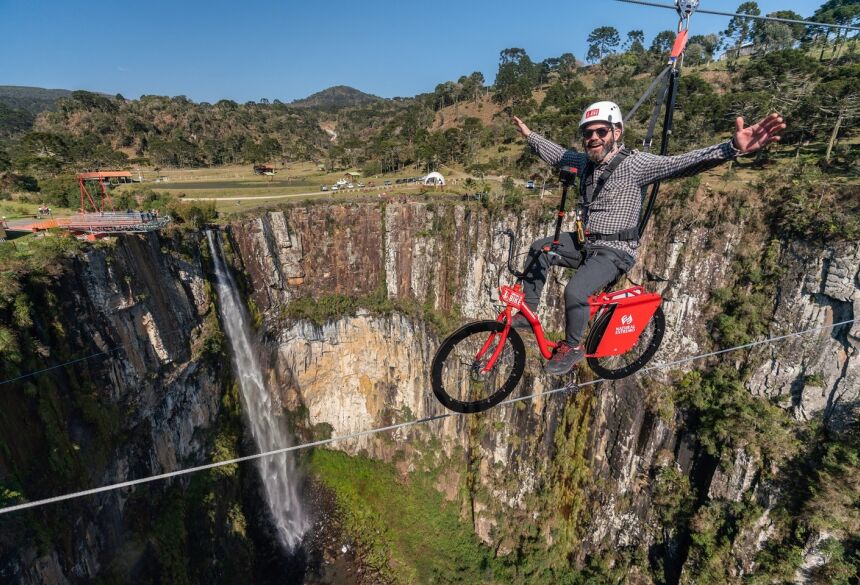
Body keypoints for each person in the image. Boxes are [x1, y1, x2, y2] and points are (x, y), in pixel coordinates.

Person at [511, 101, 785, 375]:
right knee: (540, 249)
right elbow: (558, 155)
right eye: (587, 133)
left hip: (614, 250)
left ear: (616, 132)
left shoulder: (635, 165)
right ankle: (527, 314)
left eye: (601, 131)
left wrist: (731, 148)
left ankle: (571, 347)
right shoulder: (585, 163)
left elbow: (680, 164)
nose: (593, 137)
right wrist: (530, 136)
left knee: (575, 291)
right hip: (586, 242)